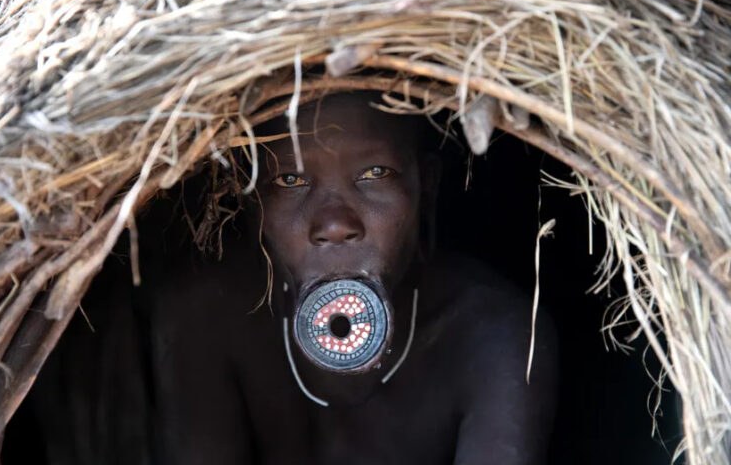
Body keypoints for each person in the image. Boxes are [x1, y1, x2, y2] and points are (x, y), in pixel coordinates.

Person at [150, 91, 558, 465]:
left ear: (426, 186)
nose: (334, 224)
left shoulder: (492, 336)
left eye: (375, 173)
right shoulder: (205, 316)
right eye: (290, 181)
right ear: (252, 201)